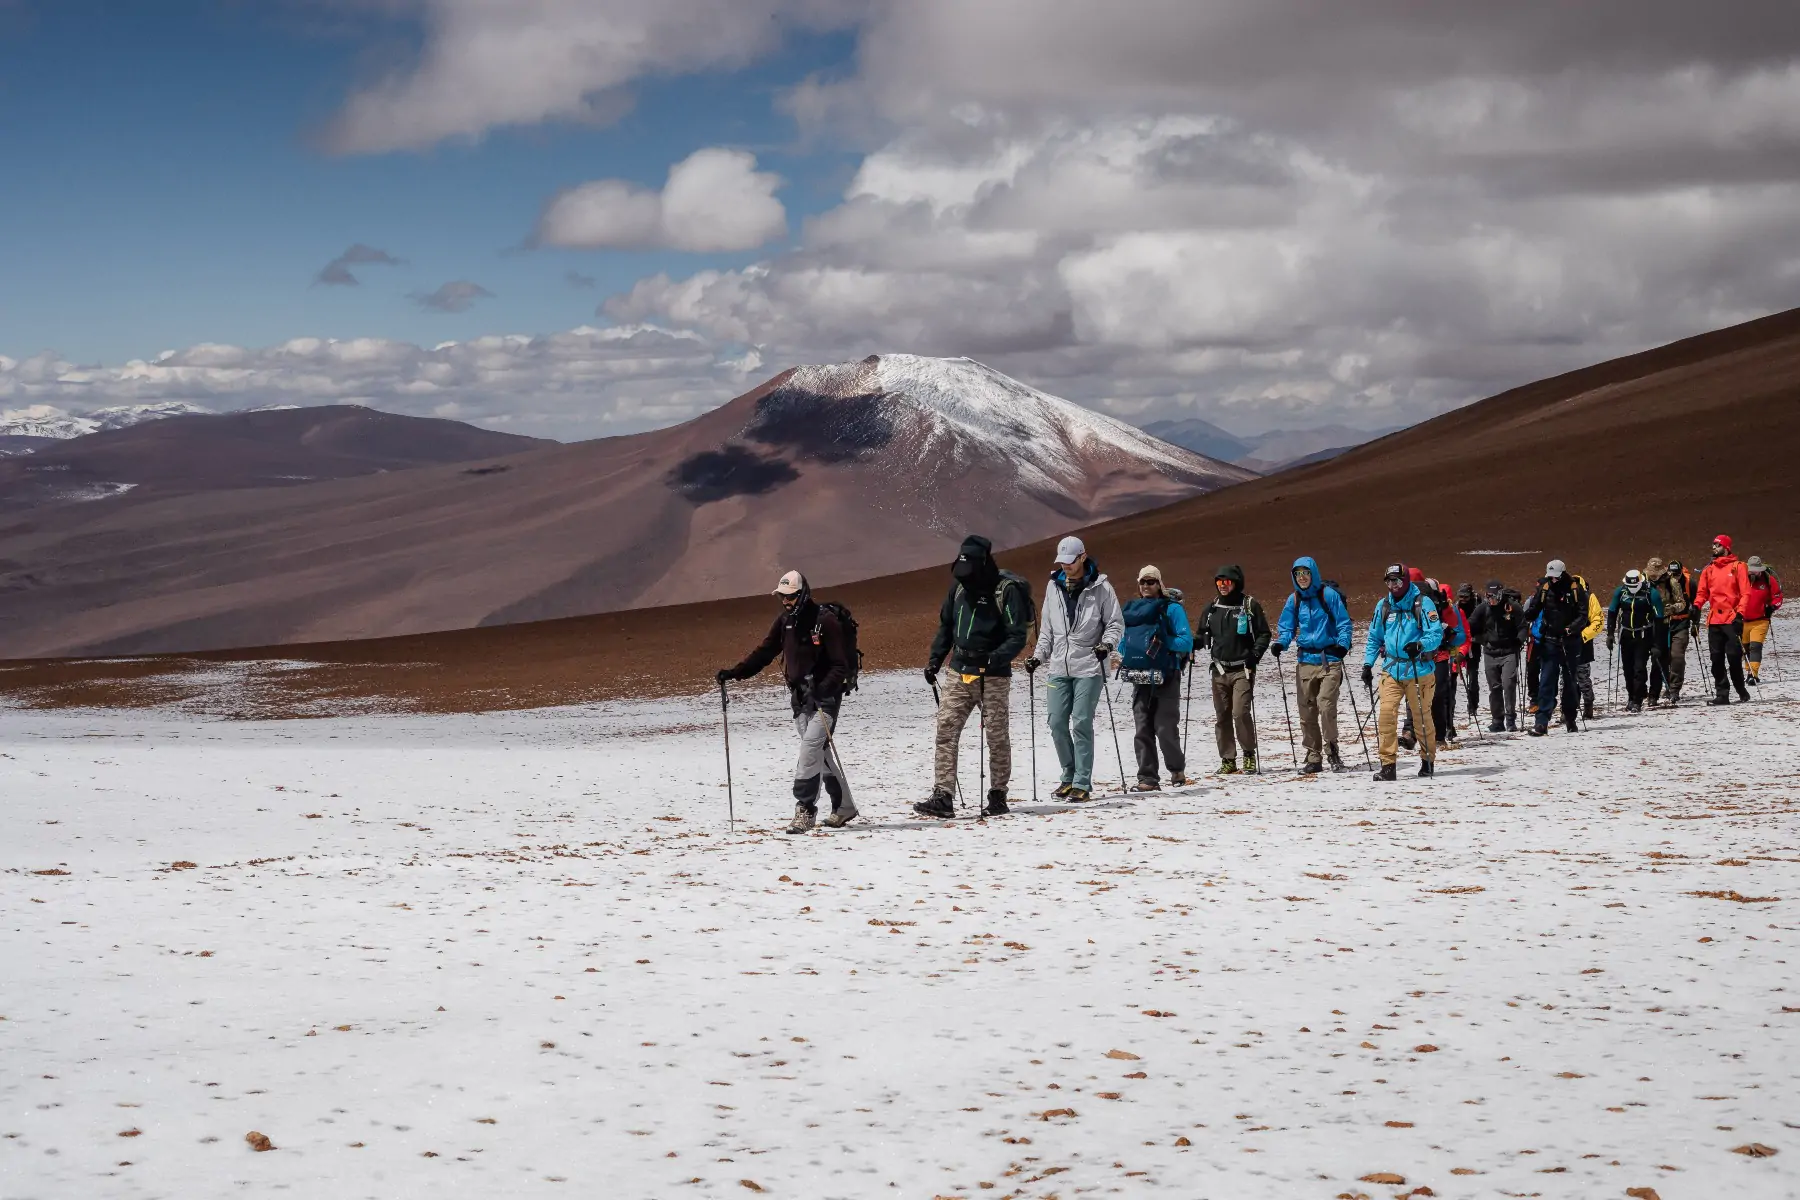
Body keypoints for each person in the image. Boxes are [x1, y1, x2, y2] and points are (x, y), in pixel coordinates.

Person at [717, 570, 855, 834]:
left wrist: (822, 690)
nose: (786, 602)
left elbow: (841, 665)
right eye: (782, 597)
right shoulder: (784, 623)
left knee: (810, 750)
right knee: (819, 753)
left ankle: (805, 810)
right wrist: (735, 673)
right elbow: (765, 652)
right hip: (800, 698)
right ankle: (844, 806)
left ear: (803, 594)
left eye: (790, 597)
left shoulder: (825, 622)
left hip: (825, 699)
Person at [919, 535, 1034, 818]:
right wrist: (935, 659)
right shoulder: (958, 589)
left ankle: (998, 794)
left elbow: (1017, 635)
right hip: (959, 671)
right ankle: (943, 795)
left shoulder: (1006, 591)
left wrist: (995, 658)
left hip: (993, 676)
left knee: (996, 735)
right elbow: (946, 626)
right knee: (946, 731)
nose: (966, 584)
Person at [1026, 536, 1123, 802]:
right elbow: (1047, 630)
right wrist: (1038, 657)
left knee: (1081, 721)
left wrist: (1107, 644)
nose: (1066, 567)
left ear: (1083, 557)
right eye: (1062, 562)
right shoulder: (1052, 587)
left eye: (1070, 561)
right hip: (1059, 664)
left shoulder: (1102, 588)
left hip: (1090, 666)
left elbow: (1115, 623)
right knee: (1056, 721)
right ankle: (1067, 776)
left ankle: (1082, 782)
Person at [1361, 564, 1445, 780]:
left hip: (1419, 669)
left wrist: (1420, 644)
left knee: (1421, 717)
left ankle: (1427, 760)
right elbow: (1374, 638)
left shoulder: (1422, 604)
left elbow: (1435, 633)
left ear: (1406, 581)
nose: (1393, 586)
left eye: (1397, 581)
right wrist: (1368, 664)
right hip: (1391, 669)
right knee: (1386, 715)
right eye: (1389, 581)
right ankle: (1388, 765)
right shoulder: (1384, 606)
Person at [1271, 555, 1353, 774]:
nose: (1302, 578)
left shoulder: (1329, 596)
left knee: (1326, 705)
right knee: (1307, 712)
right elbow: (1287, 627)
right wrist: (1281, 643)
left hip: (1330, 660)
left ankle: (1332, 752)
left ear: (1313, 573)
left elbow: (1344, 623)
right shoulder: (1294, 600)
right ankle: (1313, 757)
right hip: (1305, 661)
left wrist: (1343, 646)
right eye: (1297, 574)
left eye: (1305, 573)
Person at [1117, 565, 1194, 790]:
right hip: (1141, 676)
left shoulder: (1172, 609)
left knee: (1164, 727)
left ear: (1160, 583)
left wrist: (1160, 644)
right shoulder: (1133, 611)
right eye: (1143, 582)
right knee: (1142, 728)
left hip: (1167, 674)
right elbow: (1124, 644)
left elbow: (1186, 641)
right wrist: (1137, 651)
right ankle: (1147, 778)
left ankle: (1176, 769)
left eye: (1151, 582)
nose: (1146, 586)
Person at [1196, 564, 1271, 775]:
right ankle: (1228, 758)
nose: (1222, 586)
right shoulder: (1212, 608)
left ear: (1236, 583)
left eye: (1226, 582)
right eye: (1219, 582)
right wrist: (1189, 646)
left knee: (1240, 712)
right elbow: (1202, 634)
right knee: (1222, 716)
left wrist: (1254, 655)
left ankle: (1248, 754)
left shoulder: (1249, 605)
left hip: (1242, 670)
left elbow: (1264, 634)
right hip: (1219, 670)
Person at [1522, 559, 1589, 736]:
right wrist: (1521, 617)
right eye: (1550, 577)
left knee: (1569, 682)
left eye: (1556, 578)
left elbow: (1583, 616)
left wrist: (1571, 629)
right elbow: (1534, 610)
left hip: (1570, 642)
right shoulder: (1544, 588)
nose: (1553, 581)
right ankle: (1541, 722)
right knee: (1546, 682)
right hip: (1550, 641)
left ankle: (1570, 718)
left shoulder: (1576, 589)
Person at [1694, 534, 1753, 704]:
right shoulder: (1709, 569)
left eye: (1717, 545)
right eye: (1713, 544)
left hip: (1732, 619)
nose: (1714, 547)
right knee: (1716, 659)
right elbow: (1702, 593)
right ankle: (1722, 694)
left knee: (1734, 657)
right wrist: (1696, 606)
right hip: (1714, 620)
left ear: (1726, 547)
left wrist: (1740, 614)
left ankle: (1740, 688)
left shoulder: (1738, 567)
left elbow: (1745, 593)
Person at [1469, 579, 1526, 732]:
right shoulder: (1483, 608)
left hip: (1509, 652)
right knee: (1494, 687)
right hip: (1490, 652)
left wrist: (1518, 641)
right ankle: (1497, 720)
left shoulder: (1512, 607)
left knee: (1508, 685)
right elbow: (1471, 625)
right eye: (1489, 596)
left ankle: (1510, 719)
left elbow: (1522, 627)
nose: (1491, 599)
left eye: (1494, 596)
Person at [1606, 568, 1664, 713]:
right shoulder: (1621, 592)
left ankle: (1637, 700)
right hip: (1626, 635)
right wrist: (1610, 633)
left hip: (1643, 635)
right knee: (1628, 669)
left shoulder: (1651, 594)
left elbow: (1659, 619)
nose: (1632, 589)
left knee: (1639, 668)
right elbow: (1612, 612)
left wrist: (1657, 644)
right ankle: (1631, 696)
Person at [1426, 579, 1470, 751]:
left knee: (1447, 696)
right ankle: (1439, 729)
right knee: (1439, 696)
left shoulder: (1455, 612)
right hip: (1442, 659)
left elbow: (1464, 634)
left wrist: (1461, 654)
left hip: (1451, 660)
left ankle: (1447, 727)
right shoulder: (1431, 609)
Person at [1646, 557, 1695, 706]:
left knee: (1676, 656)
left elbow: (1682, 603)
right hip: (1657, 626)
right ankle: (1653, 694)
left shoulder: (1671, 582)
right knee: (1658, 658)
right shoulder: (1645, 584)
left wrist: (1669, 609)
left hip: (1677, 623)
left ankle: (1674, 689)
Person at [1741, 556, 1784, 685]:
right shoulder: (1742, 580)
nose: (1753, 573)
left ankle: (1753, 674)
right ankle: (1749, 671)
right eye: (1751, 570)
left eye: (1756, 570)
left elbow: (1777, 597)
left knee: (1755, 647)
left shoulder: (1768, 580)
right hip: (1743, 620)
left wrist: (1772, 607)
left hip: (1761, 620)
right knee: (1746, 647)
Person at [1575, 571, 1605, 722]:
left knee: (1583, 678)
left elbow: (1598, 621)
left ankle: (1588, 704)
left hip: (1583, 644)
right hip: (1565, 644)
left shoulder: (1589, 598)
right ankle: (1568, 709)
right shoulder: (1560, 598)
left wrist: (1583, 636)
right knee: (1565, 679)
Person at [1456, 583, 1483, 720]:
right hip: (1460, 644)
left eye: (1466, 596)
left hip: (1474, 643)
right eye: (1460, 596)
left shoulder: (1478, 604)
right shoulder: (1456, 606)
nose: (1463, 599)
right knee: (1453, 675)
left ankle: (1473, 705)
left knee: (1472, 676)